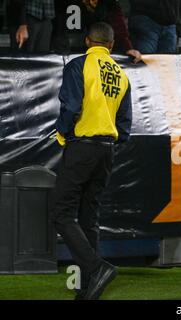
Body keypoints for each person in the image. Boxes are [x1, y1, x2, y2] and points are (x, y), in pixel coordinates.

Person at [52, 22, 132, 300]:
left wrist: (62, 131)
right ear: (110, 45)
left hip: (82, 147)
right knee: (89, 217)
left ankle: (97, 268)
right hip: (107, 150)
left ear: (88, 42)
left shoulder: (78, 65)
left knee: (61, 213)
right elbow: (125, 126)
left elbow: (72, 106)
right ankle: (88, 289)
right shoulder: (121, 74)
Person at [53, 0, 142, 63]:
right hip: (68, 54)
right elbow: (55, 26)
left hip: (96, 57)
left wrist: (128, 48)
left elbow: (118, 28)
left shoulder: (108, 4)